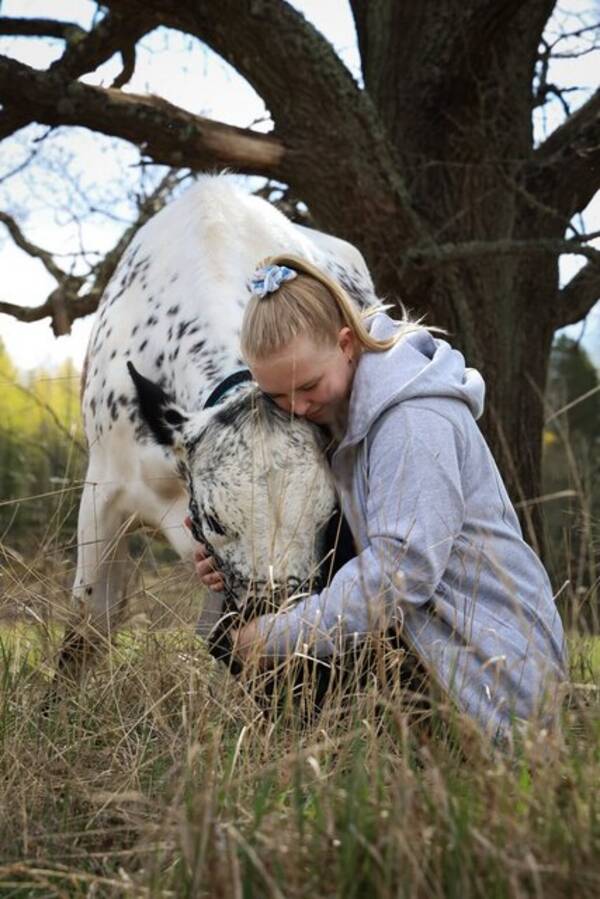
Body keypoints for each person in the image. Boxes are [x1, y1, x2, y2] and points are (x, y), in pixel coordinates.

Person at [189, 255, 567, 743]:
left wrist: (274, 637)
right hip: (419, 638)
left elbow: (401, 573)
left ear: (346, 343)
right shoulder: (332, 411)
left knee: (272, 640)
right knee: (234, 624)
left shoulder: (412, 420)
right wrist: (226, 552)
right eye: (277, 397)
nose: (297, 408)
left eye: (308, 386)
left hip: (490, 670)